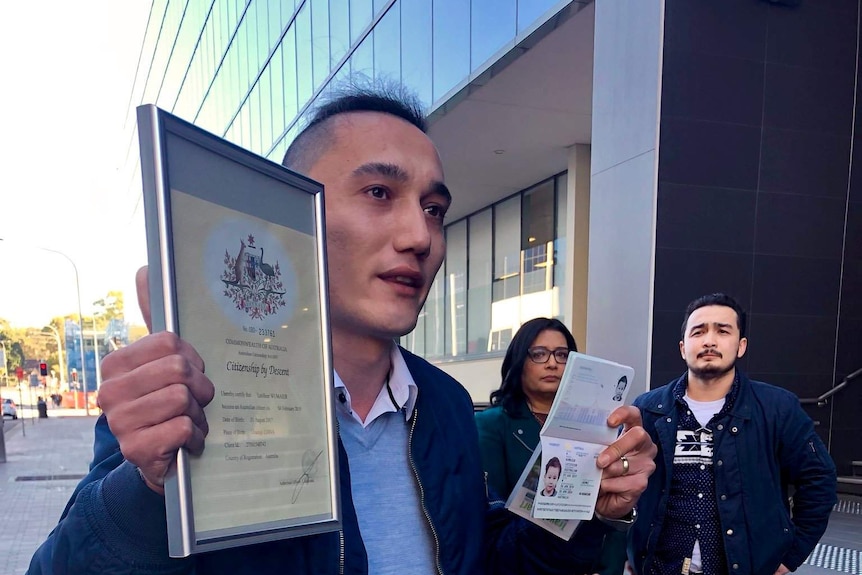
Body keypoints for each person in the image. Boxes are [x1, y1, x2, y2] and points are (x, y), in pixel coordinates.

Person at [28, 86, 656, 575]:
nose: (419, 236)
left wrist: (581, 506)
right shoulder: (195, 397)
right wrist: (147, 487)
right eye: (380, 192)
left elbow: (483, 561)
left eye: (434, 210)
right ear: (289, 218)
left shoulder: (443, 403)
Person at [630, 293, 837, 575]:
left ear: (741, 346)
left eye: (722, 331)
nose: (709, 341)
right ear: (683, 347)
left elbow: (819, 480)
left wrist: (791, 555)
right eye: (698, 332)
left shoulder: (777, 408)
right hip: (660, 568)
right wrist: (630, 550)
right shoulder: (649, 409)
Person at [475, 317, 631, 575]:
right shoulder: (491, 425)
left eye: (562, 355)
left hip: (590, 561)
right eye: (539, 354)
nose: (552, 363)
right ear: (519, 362)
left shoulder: (602, 424)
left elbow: (612, 508)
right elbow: (493, 521)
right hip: (522, 563)